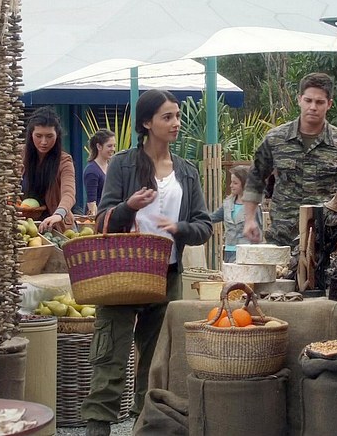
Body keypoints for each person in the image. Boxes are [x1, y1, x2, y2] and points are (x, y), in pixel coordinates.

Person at [80, 89, 212, 436]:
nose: (176, 122)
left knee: (156, 360)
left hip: (166, 275)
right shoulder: (123, 164)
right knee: (110, 354)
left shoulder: (187, 171)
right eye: (167, 117)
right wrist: (129, 207)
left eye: (177, 115)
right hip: (122, 272)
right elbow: (102, 219)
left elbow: (203, 226)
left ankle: (145, 425)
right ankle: (98, 426)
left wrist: (180, 228)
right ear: (147, 123)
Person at [242, 72, 337, 247]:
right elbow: (256, 177)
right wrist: (250, 219)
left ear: (329, 104)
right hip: (282, 237)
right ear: (299, 100)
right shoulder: (276, 139)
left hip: (327, 239)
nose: (313, 107)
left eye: (319, 102)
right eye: (308, 100)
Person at [21, 106, 76, 232]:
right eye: (38, 136)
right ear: (31, 135)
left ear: (57, 135)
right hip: (23, 226)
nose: (44, 142)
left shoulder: (64, 161)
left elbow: (69, 193)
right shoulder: (20, 155)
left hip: (55, 227)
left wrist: (59, 214)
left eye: (49, 136)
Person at [211, 164, 262, 263]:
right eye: (231, 182)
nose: (231, 186)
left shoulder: (253, 207)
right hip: (229, 251)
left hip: (246, 252)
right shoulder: (227, 204)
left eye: (235, 183)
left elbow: (259, 231)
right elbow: (212, 218)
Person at [84, 129, 116, 216]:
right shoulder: (91, 170)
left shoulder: (112, 166)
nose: (113, 149)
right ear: (99, 146)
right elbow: (91, 203)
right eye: (109, 146)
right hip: (99, 217)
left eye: (114, 146)